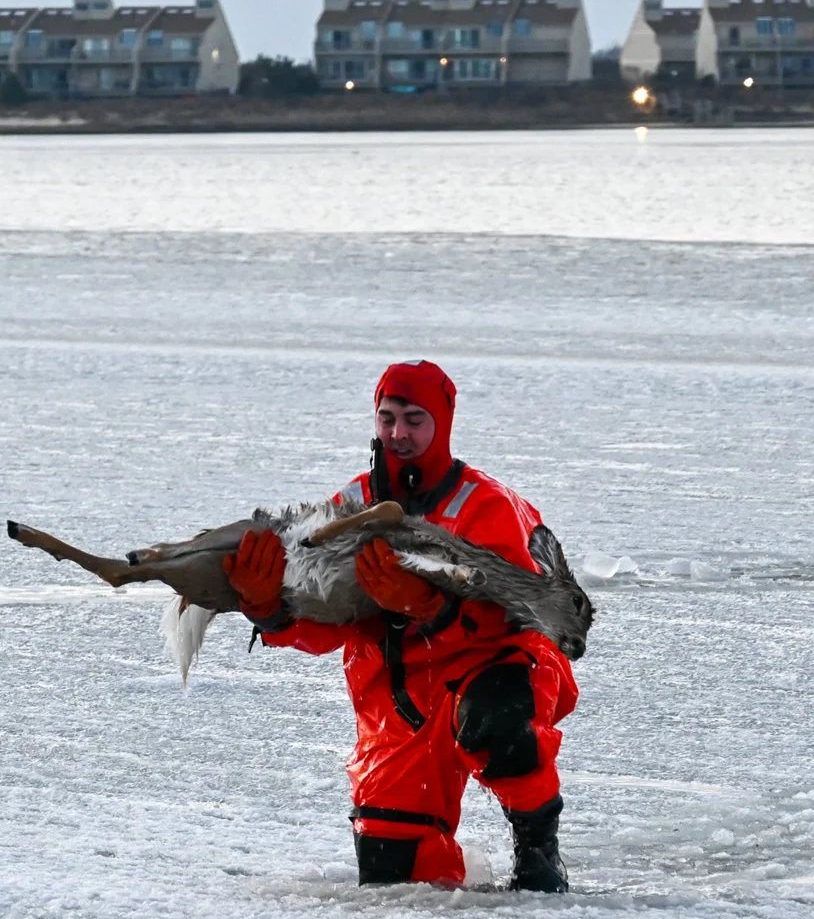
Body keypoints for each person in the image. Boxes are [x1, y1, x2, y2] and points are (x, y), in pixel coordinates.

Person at [222, 361, 579, 891]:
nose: (399, 434)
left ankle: (537, 843)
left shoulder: (489, 508)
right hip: (397, 707)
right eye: (388, 418)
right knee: (398, 887)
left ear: (443, 422)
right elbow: (326, 626)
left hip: (491, 669)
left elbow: (533, 614)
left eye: (415, 419)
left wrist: (434, 609)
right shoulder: (348, 507)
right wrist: (269, 611)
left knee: (497, 726)